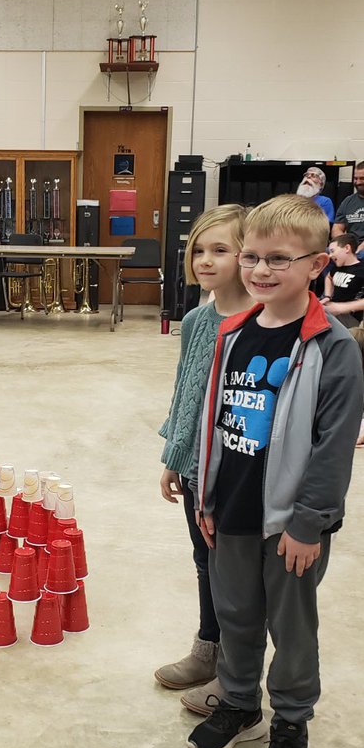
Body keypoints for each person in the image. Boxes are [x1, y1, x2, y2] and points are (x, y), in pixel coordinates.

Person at [187, 195, 362, 748]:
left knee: (291, 627)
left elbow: (334, 446)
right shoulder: (232, 333)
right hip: (230, 507)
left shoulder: (332, 347)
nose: (261, 270)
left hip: (291, 522)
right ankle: (239, 705)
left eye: (280, 259)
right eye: (253, 256)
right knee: (235, 614)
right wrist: (207, 498)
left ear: (317, 266)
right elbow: (215, 419)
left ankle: (291, 723)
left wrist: (309, 522)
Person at [155, 204, 252, 714]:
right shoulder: (195, 319)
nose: (206, 260)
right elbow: (184, 393)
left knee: (234, 573)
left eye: (220, 250)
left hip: (235, 472)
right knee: (203, 561)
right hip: (194, 468)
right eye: (199, 250)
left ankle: (238, 671)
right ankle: (207, 650)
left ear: (246, 255)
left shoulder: (259, 321)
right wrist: (174, 455)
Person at [322, 233, 364, 327]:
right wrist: (327, 296)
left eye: (332, 251)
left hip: (351, 319)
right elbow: (328, 277)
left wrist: (341, 308)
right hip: (333, 312)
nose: (330, 256)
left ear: (347, 248)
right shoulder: (337, 267)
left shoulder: (361, 269)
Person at [333, 161, 364, 251]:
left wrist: (358, 251)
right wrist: (346, 245)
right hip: (350, 246)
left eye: (362, 178)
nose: (358, 182)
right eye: (355, 178)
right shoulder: (347, 201)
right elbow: (337, 228)